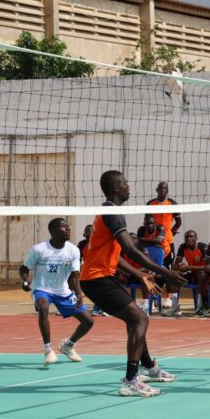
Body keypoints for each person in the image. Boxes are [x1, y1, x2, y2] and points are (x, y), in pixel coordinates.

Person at [80, 170, 186, 397]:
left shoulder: (111, 212)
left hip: (100, 277)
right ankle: (131, 379)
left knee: (135, 318)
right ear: (115, 187)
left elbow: (116, 256)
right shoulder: (111, 213)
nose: (129, 186)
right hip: (97, 279)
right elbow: (130, 250)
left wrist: (141, 275)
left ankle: (147, 366)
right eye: (125, 183)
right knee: (140, 318)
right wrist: (164, 272)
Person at [19, 218, 94, 365]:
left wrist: (78, 293)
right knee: (43, 307)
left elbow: (74, 276)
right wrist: (26, 281)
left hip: (63, 291)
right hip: (42, 289)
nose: (68, 229)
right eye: (64, 227)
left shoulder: (73, 250)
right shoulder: (39, 249)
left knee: (88, 322)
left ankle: (68, 345)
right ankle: (48, 350)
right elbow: (24, 268)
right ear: (53, 231)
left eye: (68, 226)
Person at [147, 181, 182, 309]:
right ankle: (154, 298)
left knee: (168, 270)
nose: (162, 190)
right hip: (154, 242)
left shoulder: (172, 203)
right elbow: (147, 222)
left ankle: (168, 298)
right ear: (156, 190)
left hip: (168, 242)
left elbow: (178, 222)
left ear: (167, 191)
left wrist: (171, 231)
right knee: (153, 269)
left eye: (165, 188)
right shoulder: (150, 204)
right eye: (160, 188)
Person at [174, 229, 210, 317]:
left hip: (206, 276)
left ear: (196, 238)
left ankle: (205, 307)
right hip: (193, 274)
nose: (188, 239)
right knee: (174, 274)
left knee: (201, 274)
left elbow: (207, 267)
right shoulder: (183, 247)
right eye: (186, 237)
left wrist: (188, 267)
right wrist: (180, 266)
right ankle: (174, 306)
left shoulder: (203, 247)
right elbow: (175, 265)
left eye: (191, 237)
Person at [136, 215, 166, 313]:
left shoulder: (160, 228)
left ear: (155, 223)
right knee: (146, 275)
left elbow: (159, 241)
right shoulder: (141, 229)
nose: (150, 225)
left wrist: (143, 239)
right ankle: (147, 303)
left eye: (152, 223)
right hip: (147, 254)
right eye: (147, 223)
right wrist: (151, 241)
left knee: (164, 273)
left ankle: (170, 300)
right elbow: (139, 243)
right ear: (144, 224)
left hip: (163, 252)